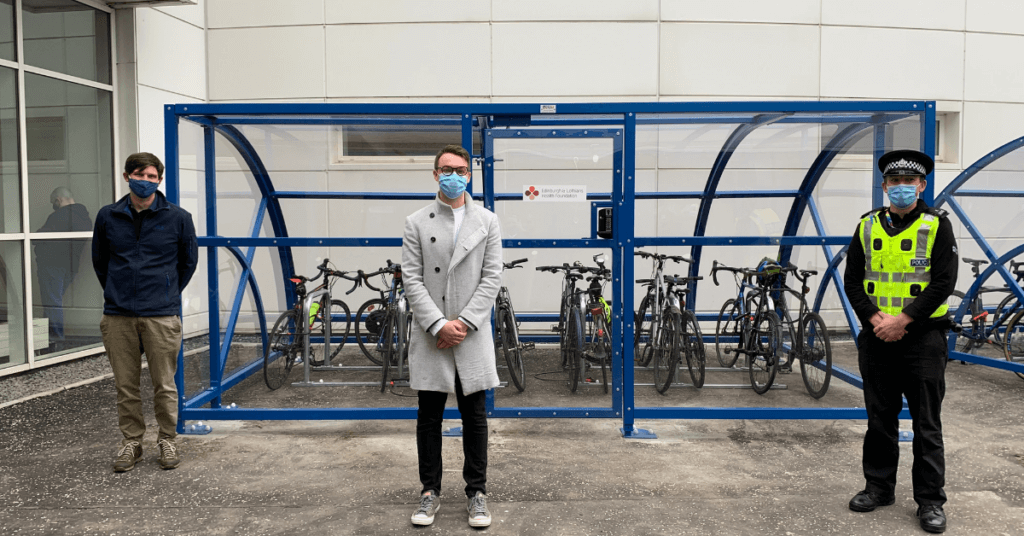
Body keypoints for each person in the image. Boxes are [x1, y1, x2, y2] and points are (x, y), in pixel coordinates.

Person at [843, 150, 957, 533]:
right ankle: (878, 488)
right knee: (880, 418)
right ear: (884, 186)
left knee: (927, 423)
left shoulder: (937, 225)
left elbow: (943, 281)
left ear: (921, 185)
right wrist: (877, 320)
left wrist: (903, 320)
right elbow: (853, 281)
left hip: (923, 339)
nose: (901, 188)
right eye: (894, 182)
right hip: (877, 337)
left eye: (909, 182)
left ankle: (930, 502)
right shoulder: (866, 226)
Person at [402, 144, 502, 528]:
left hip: (470, 333)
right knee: (429, 416)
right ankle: (429, 492)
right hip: (433, 333)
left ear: (470, 175)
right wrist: (438, 324)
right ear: (434, 174)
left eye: (460, 169)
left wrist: (464, 323)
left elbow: (492, 276)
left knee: (474, 415)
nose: (453, 175)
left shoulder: (487, 221)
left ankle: (477, 493)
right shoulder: (417, 221)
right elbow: (411, 278)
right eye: (446, 169)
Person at [92, 152, 198, 473]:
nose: (146, 181)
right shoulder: (108, 216)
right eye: (140, 174)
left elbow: (187, 263)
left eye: (152, 176)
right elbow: (100, 262)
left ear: (159, 181)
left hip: (161, 315)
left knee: (164, 383)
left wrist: (165, 291)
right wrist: (117, 292)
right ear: (127, 176)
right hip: (118, 315)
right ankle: (132, 442)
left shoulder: (178, 218)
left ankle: (167, 439)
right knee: (126, 384)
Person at [35, 187, 92, 351]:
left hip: (53, 265)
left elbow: (38, 236)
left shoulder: (59, 216)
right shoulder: (84, 217)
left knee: (52, 302)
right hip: (71, 266)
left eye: (54, 202)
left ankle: (55, 341)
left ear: (58, 200)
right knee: (54, 302)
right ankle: (47, 339)